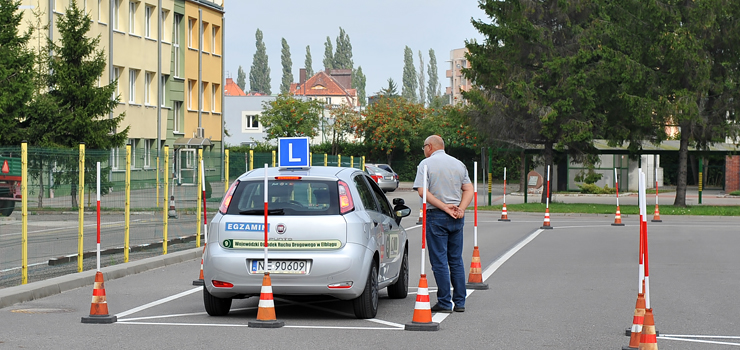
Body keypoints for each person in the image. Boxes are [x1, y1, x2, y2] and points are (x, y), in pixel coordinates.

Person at [413, 135, 474, 313]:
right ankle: (460, 302)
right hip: (457, 216)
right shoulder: (458, 164)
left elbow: (422, 191)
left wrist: (444, 207)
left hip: (436, 215)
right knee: (455, 260)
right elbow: (469, 188)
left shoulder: (425, 165)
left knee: (439, 261)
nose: (424, 150)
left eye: (424, 147)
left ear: (430, 147)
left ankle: (445, 302)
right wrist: (460, 209)